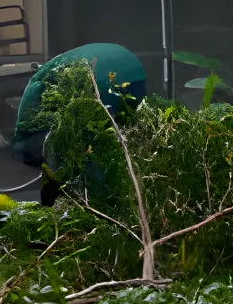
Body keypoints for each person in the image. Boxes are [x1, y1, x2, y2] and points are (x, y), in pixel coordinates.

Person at [11, 42, 148, 205]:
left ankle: (101, 201)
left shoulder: (45, 117)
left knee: (94, 148)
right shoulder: (38, 102)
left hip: (120, 76)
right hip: (116, 66)